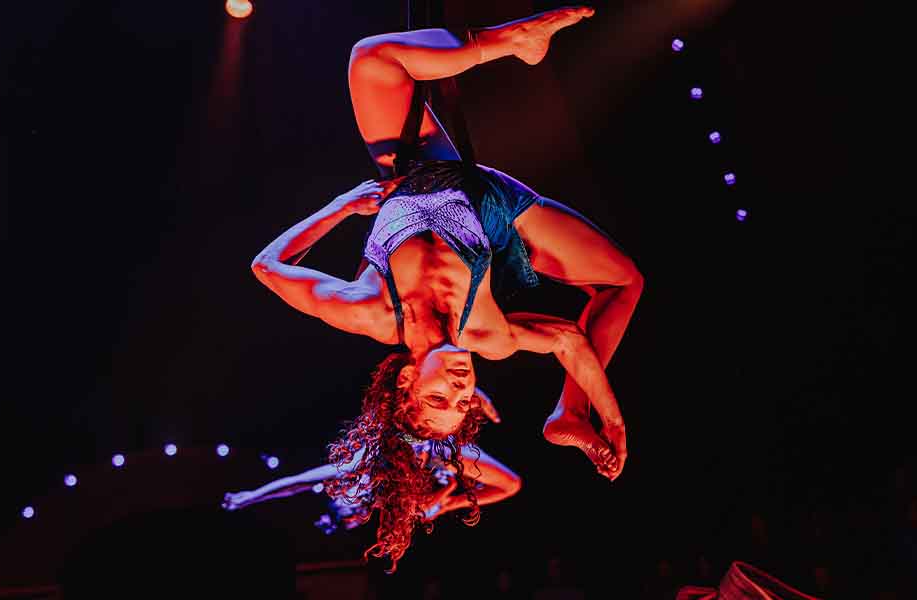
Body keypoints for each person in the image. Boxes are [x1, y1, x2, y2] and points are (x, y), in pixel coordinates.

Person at [250, 6, 642, 570]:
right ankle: (568, 413)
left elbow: (268, 266)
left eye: (439, 397)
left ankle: (512, 40)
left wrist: (339, 209)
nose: (460, 389)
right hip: (494, 206)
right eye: (462, 403)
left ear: (407, 380)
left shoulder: (367, 311)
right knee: (623, 282)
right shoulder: (489, 336)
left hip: (414, 169)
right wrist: (612, 420)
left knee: (371, 57)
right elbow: (568, 341)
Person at [222, 388, 520, 536]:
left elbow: (296, 483)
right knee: (510, 485)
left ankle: (458, 398)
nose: (356, 511)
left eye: (348, 510)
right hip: (440, 457)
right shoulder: (388, 503)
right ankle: (456, 406)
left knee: (421, 433)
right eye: (356, 516)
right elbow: (430, 501)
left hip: (423, 436)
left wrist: (251, 496)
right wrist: (448, 500)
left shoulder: (355, 468)